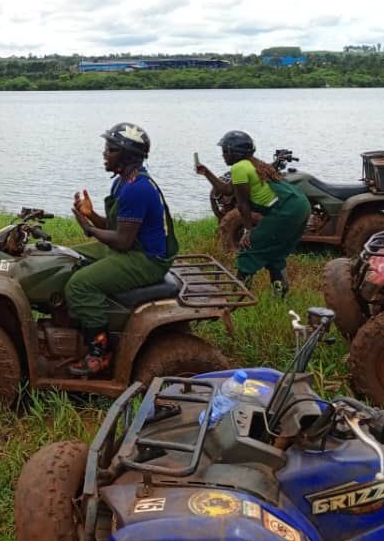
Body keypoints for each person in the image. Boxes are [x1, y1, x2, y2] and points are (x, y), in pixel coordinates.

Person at [66, 122, 178, 377]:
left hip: (145, 259)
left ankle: (100, 351)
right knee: (68, 257)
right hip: (133, 248)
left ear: (126, 155)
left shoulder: (136, 189)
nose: (104, 153)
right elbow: (116, 228)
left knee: (79, 285)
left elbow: (122, 241)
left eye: (110, 149)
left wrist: (88, 228)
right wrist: (91, 215)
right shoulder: (124, 183)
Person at [196, 130, 310, 296]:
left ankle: (240, 295)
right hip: (300, 205)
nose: (222, 156)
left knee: (248, 248)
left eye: (224, 152)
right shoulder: (252, 163)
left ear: (233, 153)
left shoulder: (239, 168)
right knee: (274, 251)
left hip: (285, 211)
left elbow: (242, 205)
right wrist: (206, 172)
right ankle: (280, 294)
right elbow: (228, 190)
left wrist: (248, 231)